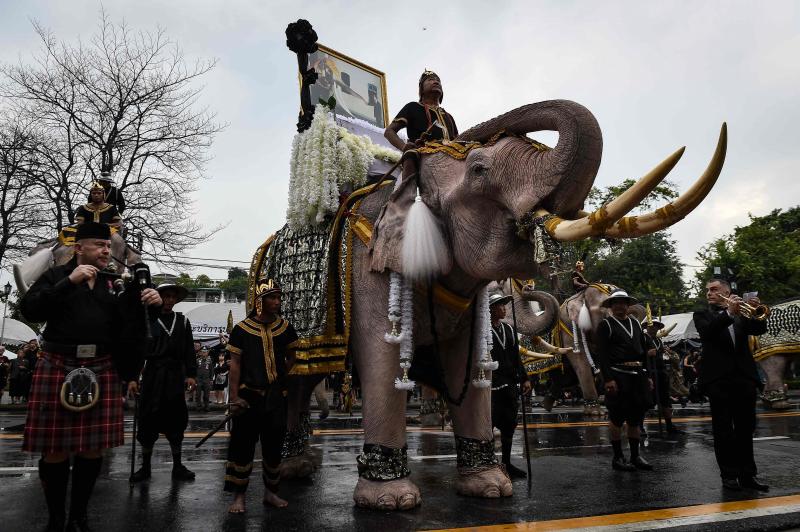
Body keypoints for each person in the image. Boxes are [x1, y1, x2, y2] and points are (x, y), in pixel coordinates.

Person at [19, 221, 160, 532]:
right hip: (57, 363)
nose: (106, 250)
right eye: (99, 245)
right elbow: (30, 309)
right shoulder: (56, 275)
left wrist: (152, 302)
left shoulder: (114, 283)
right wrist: (68, 281)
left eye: (108, 246)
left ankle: (78, 517)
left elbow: (133, 324)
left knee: (91, 449)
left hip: (101, 366)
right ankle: (56, 519)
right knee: (54, 449)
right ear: (78, 247)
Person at [224, 278, 298, 514]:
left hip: (276, 399)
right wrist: (234, 398)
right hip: (249, 398)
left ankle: (270, 493)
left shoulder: (285, 328)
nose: (276, 302)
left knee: (273, 447)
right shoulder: (242, 330)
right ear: (260, 301)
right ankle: (239, 497)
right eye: (271, 298)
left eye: (278, 298)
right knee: (242, 447)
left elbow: (292, 356)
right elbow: (234, 365)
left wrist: (280, 379)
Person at [693, 279, 768, 491]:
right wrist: (728, 314)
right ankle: (729, 476)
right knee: (723, 430)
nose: (709, 293)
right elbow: (708, 333)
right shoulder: (702, 315)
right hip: (718, 380)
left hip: (744, 378)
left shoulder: (742, 314)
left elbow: (759, 329)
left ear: (727, 291)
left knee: (746, 429)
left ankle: (748, 476)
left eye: (714, 289)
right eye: (707, 290)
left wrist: (754, 310)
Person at [130, 282, 197, 483]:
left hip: (175, 376)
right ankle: (146, 467)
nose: (168, 300)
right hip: (152, 375)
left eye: (172, 297)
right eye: (165, 296)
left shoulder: (183, 321)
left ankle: (177, 466)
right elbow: (138, 351)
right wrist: (133, 377)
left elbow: (189, 351)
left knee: (176, 421)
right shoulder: (149, 319)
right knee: (148, 420)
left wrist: (191, 374)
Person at [596, 290, 654, 472]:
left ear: (628, 305)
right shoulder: (605, 325)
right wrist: (608, 379)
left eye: (623, 302)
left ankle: (635, 456)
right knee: (617, 418)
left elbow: (644, 352)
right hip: (617, 375)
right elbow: (602, 355)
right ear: (611, 306)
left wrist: (648, 375)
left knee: (636, 419)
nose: (620, 306)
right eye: (616, 303)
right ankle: (618, 456)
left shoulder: (636, 324)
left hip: (637, 375)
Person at [488, 293, 532, 479]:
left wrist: (525, 378)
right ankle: (488, 463)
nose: (504, 309)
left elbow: (516, 357)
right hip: (491, 385)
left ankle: (506, 463)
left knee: (509, 425)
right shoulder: (483, 330)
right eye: (499, 305)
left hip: (510, 384)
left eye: (504, 305)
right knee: (488, 424)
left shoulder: (508, 329)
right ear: (490, 309)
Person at [384, 70, 458, 178]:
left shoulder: (448, 116)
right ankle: (407, 189)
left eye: (438, 81)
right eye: (430, 80)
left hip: (451, 158)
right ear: (421, 89)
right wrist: (404, 147)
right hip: (424, 157)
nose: (436, 82)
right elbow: (389, 132)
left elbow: (457, 141)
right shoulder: (413, 107)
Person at [642, 317, 683, 434]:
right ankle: (640, 426)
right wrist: (647, 353)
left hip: (661, 373)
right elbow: (636, 354)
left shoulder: (659, 341)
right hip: (649, 373)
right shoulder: (642, 339)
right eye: (651, 325)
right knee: (646, 400)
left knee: (665, 400)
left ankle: (669, 425)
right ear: (646, 327)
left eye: (656, 325)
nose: (654, 327)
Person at [195, 343, 213, 411]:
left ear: (207, 353)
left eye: (205, 352)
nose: (204, 353)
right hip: (199, 380)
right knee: (198, 394)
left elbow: (211, 371)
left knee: (206, 395)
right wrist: (195, 379)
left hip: (207, 380)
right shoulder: (197, 361)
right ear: (200, 353)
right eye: (202, 352)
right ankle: (198, 407)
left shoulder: (209, 361)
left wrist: (211, 379)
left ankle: (206, 406)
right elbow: (195, 370)